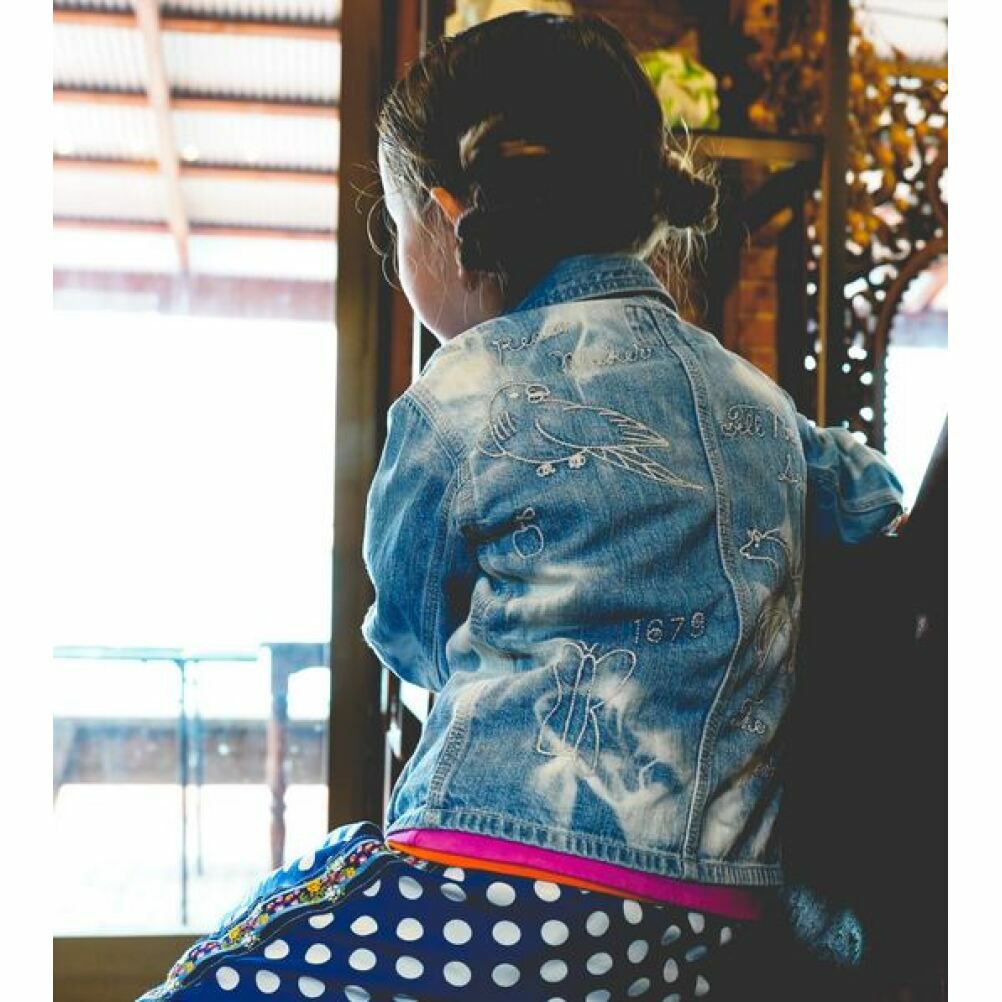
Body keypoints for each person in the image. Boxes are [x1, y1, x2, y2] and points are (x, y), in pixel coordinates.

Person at [139, 13, 902, 1001]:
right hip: (717, 912)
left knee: (213, 977)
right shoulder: (755, 399)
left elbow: (413, 633)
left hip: (513, 886)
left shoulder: (461, 395)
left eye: (395, 226)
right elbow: (872, 504)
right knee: (319, 874)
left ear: (446, 219)